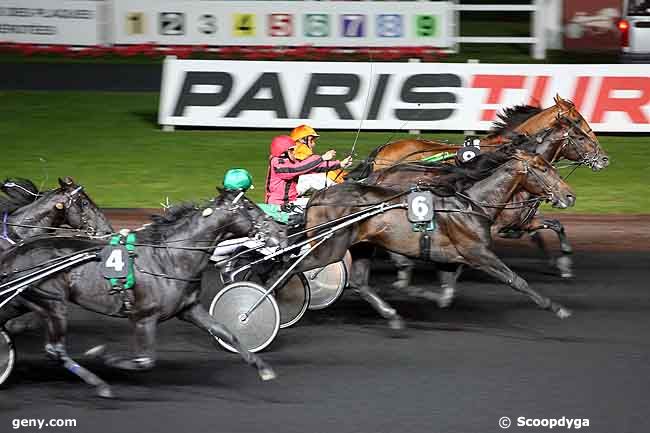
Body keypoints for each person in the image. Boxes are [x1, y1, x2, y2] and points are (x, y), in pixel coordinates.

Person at [265, 135, 351, 207]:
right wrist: (322, 158)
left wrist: (340, 164)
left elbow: (313, 168)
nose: (294, 152)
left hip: (291, 201)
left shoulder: (289, 162)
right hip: (279, 205)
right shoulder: (277, 163)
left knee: (324, 201)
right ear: (283, 152)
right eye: (291, 150)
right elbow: (297, 169)